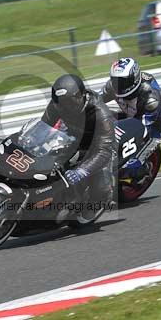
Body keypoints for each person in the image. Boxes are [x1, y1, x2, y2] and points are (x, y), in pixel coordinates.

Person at [41, 74, 115, 221]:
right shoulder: (57, 104)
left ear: (81, 96)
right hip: (73, 137)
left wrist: (82, 171)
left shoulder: (100, 114)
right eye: (61, 103)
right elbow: (44, 126)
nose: (65, 107)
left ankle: (99, 202)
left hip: (99, 145)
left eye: (69, 103)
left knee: (102, 184)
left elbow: (104, 150)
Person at [99, 57, 161, 173]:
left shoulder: (150, 99)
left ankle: (142, 168)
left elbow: (155, 135)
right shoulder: (112, 87)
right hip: (127, 114)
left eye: (123, 82)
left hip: (145, 120)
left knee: (132, 167)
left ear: (134, 79)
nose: (119, 85)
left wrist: (139, 159)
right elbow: (96, 101)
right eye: (116, 81)